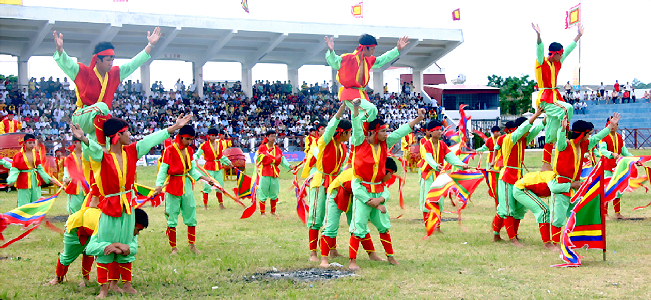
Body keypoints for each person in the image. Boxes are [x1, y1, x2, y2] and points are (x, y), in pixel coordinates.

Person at [71, 113, 193, 297]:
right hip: (110, 207)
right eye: (127, 132)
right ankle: (104, 288)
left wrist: (173, 128)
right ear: (117, 135)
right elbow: (93, 148)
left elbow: (149, 140)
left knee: (127, 244)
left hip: (127, 206)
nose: (131, 135)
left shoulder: (131, 151)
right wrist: (84, 139)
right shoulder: (103, 156)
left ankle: (123, 284)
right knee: (105, 245)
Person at [347, 99, 425, 270]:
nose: (387, 134)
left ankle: (390, 257)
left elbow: (400, 132)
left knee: (384, 226)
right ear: (375, 132)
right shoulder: (360, 142)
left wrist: (417, 120)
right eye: (383, 131)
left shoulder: (385, 144)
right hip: (362, 188)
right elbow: (356, 125)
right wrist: (354, 107)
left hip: (378, 190)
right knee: (358, 226)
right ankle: (352, 261)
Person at [53, 27, 162, 144]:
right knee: (103, 107)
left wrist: (150, 45)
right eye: (108, 60)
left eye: (113, 60)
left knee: (99, 150)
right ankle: (103, 145)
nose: (111, 63)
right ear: (97, 60)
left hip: (99, 119)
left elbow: (132, 64)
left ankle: (99, 150)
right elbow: (68, 64)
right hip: (81, 117)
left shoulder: (114, 74)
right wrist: (60, 50)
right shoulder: (83, 72)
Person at [549, 114, 620, 246]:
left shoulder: (584, 145)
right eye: (588, 134)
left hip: (575, 188)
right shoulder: (564, 145)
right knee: (558, 218)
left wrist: (610, 127)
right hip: (561, 185)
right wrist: (562, 129)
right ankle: (554, 244)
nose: (590, 136)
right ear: (583, 134)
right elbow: (559, 140)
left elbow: (598, 137)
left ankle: (574, 241)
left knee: (576, 214)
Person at [155, 125, 218, 255]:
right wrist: (159, 185)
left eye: (191, 139)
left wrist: (205, 178)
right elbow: (163, 170)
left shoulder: (189, 151)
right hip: (173, 185)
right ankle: (174, 248)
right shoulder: (169, 150)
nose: (189, 142)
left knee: (191, 213)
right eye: (187, 139)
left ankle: (192, 245)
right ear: (180, 137)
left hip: (187, 185)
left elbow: (192, 170)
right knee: (172, 215)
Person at [531, 23, 583, 170]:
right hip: (546, 98)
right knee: (567, 109)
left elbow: (568, 50)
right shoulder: (542, 62)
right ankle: (566, 137)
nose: (562, 56)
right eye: (559, 54)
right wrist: (539, 36)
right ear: (554, 54)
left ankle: (546, 164)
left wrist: (578, 36)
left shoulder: (557, 61)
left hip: (554, 96)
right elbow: (539, 51)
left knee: (551, 132)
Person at [325, 34, 410, 122]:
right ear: (365, 48)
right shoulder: (348, 58)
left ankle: (358, 127)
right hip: (350, 93)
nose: (373, 52)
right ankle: (358, 123)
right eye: (372, 49)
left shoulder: (368, 60)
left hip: (360, 93)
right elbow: (335, 62)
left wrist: (397, 49)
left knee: (366, 119)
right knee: (371, 110)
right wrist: (331, 51)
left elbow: (381, 60)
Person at [318, 162, 386, 267]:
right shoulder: (360, 174)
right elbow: (363, 195)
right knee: (331, 226)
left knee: (359, 224)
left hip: (352, 196)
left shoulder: (372, 177)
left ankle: (372, 255)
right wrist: (377, 206)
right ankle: (324, 259)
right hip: (336, 193)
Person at [306, 104, 351, 262]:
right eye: (349, 133)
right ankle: (313, 252)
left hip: (335, 183)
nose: (350, 135)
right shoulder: (325, 142)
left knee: (332, 215)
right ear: (342, 132)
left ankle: (332, 249)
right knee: (317, 216)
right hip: (320, 181)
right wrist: (341, 110)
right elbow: (332, 126)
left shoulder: (344, 148)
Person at [494, 108, 544, 246]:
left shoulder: (523, 138)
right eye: (526, 129)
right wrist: (536, 115)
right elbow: (524, 129)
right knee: (507, 208)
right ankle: (511, 238)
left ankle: (509, 235)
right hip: (507, 177)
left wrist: (547, 118)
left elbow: (536, 129)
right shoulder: (510, 138)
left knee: (519, 207)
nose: (529, 132)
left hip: (518, 177)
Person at [84, 208, 149, 298]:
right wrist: (114, 245)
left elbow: (133, 248)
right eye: (138, 229)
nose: (137, 233)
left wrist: (121, 250)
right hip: (78, 226)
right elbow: (89, 249)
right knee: (68, 256)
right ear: (131, 225)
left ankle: (122, 285)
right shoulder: (103, 227)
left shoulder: (129, 232)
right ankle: (103, 288)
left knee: (121, 252)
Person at [418, 120, 469, 231]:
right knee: (428, 199)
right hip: (428, 175)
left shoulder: (442, 144)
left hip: (439, 175)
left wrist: (461, 165)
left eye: (440, 129)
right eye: (436, 130)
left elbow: (450, 157)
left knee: (439, 200)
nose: (440, 131)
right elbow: (428, 158)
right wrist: (436, 166)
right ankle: (429, 227)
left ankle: (437, 227)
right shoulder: (425, 144)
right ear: (430, 132)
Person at [47, 197, 102, 288]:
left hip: (91, 227)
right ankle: (58, 277)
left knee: (88, 252)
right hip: (77, 226)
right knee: (68, 255)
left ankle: (86, 279)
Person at [6, 134, 62, 206]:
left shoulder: (36, 154)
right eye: (30, 143)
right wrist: (11, 180)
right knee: (24, 203)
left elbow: (40, 169)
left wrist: (48, 178)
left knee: (36, 202)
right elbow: (15, 169)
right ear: (24, 143)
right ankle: (23, 216)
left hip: (35, 181)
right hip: (24, 181)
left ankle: (35, 217)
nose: (32, 145)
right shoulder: (18, 155)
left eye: (33, 143)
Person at [599, 116, 635, 220]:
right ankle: (605, 214)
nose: (612, 126)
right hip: (607, 167)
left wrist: (634, 159)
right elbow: (602, 150)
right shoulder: (604, 137)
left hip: (617, 167)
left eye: (614, 124)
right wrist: (612, 154)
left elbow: (625, 152)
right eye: (610, 124)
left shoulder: (619, 137)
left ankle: (617, 213)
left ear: (617, 125)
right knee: (607, 189)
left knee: (618, 189)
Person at [256, 130, 297, 215]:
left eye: (275, 136)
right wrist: (269, 156)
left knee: (274, 192)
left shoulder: (277, 149)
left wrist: (289, 166)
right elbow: (259, 159)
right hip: (265, 172)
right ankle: (262, 212)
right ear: (267, 137)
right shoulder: (262, 148)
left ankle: (273, 212)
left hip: (274, 173)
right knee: (263, 191)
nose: (273, 138)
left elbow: (282, 160)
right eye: (271, 136)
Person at [512, 171, 555, 250]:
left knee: (519, 212)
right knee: (543, 210)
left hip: (523, 187)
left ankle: (514, 235)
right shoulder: (552, 177)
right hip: (521, 188)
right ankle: (547, 243)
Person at [195, 129, 233, 210]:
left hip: (218, 167)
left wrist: (228, 162)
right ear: (208, 136)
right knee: (207, 186)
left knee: (220, 186)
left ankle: (221, 204)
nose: (213, 137)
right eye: (211, 135)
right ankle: (205, 206)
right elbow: (197, 154)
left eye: (214, 135)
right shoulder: (204, 145)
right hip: (208, 167)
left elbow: (221, 156)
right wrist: (194, 161)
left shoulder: (219, 144)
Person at [62, 138, 87, 214]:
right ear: (75, 143)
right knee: (74, 206)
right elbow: (67, 169)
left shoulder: (87, 155)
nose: (83, 144)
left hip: (86, 184)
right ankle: (73, 224)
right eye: (81, 142)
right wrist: (66, 178)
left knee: (86, 206)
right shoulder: (70, 157)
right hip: (75, 184)